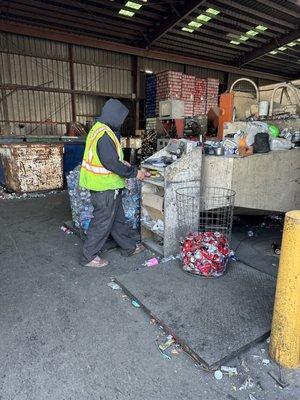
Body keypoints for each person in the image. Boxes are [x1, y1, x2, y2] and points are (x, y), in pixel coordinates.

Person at [79, 99, 145, 268]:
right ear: (114, 116)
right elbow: (110, 163)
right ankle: (88, 257)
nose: (121, 122)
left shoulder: (98, 129)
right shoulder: (105, 134)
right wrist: (135, 173)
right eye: (121, 118)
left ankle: (128, 247)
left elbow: (110, 159)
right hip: (104, 188)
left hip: (108, 187)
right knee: (102, 223)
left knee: (117, 219)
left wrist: (125, 164)